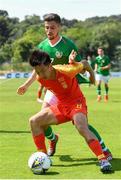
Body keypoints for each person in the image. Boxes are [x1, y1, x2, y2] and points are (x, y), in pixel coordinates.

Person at [17, 13, 112, 159]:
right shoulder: (42, 45)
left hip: (67, 88)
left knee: (80, 124)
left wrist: (72, 62)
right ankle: (53, 140)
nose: (49, 31)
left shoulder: (68, 45)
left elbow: (78, 66)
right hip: (51, 89)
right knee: (40, 121)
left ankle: (104, 150)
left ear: (59, 27)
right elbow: (36, 69)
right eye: (46, 28)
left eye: (52, 28)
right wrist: (26, 85)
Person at [27, 49, 113, 173]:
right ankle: (43, 156)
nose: (40, 74)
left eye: (42, 71)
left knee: (81, 127)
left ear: (50, 66)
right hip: (61, 106)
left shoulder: (67, 71)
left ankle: (103, 160)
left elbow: (86, 63)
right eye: (37, 71)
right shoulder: (39, 78)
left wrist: (92, 77)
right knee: (34, 121)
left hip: (76, 103)